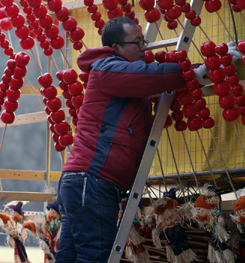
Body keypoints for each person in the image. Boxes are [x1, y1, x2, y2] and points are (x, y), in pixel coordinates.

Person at [56, 16, 189, 263]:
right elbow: (152, 75)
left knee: (70, 256)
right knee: (94, 257)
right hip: (93, 181)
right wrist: (197, 71)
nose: (143, 47)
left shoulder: (116, 71)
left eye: (143, 40)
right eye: (136, 42)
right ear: (116, 47)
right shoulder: (109, 68)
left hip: (83, 181)